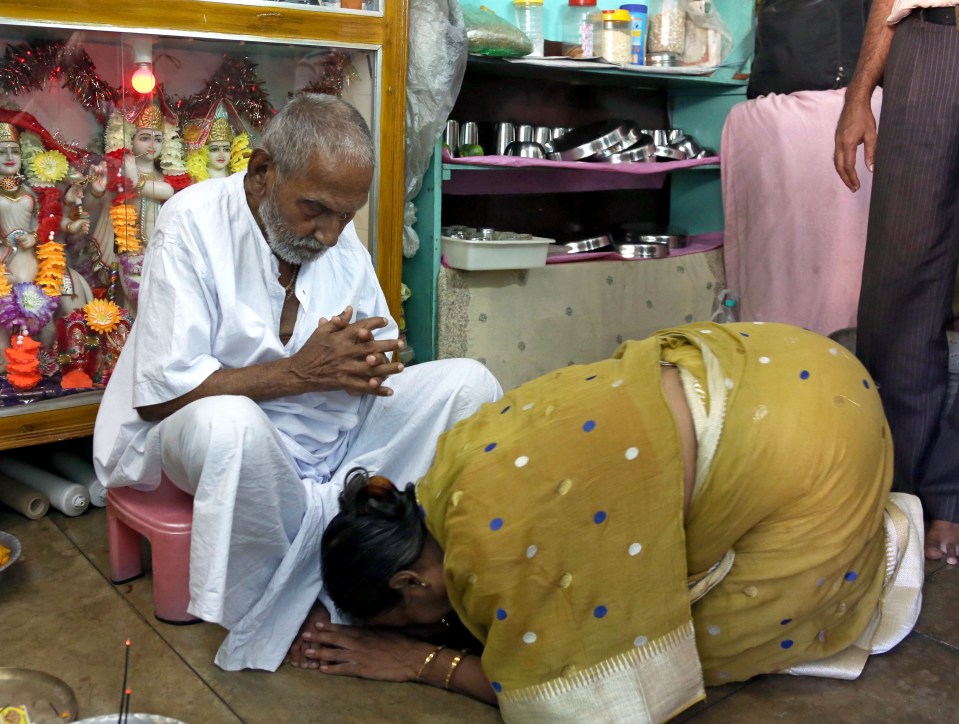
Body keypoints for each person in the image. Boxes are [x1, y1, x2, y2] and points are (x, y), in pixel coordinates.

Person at [303, 322, 923, 723]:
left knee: (661, 651)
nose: (427, 626)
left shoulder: (497, 554)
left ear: (409, 582)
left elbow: (562, 697)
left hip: (822, 445)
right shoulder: (454, 460)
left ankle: (883, 541)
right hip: (788, 360)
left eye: (412, 619)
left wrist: (421, 663)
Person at [92, 93, 502, 671]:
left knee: (469, 384)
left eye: (346, 215)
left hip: (330, 438)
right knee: (230, 426)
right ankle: (290, 600)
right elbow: (163, 396)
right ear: (262, 172)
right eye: (315, 210)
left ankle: (354, 565)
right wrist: (298, 372)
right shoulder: (192, 224)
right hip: (201, 433)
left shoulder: (336, 235)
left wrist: (372, 362)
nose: (331, 234)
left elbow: (376, 343)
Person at [834, 0, 959, 564]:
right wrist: (858, 95)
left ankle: (952, 495)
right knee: (902, 281)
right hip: (933, 46)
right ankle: (900, 491)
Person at [87, 101, 190, 310]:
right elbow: (94, 205)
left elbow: (167, 192)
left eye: (158, 139)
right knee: (134, 303)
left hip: (161, 252)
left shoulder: (165, 179)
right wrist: (97, 188)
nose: (152, 144)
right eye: (144, 138)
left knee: (160, 305)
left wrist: (136, 180)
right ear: (129, 141)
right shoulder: (119, 177)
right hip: (129, 253)